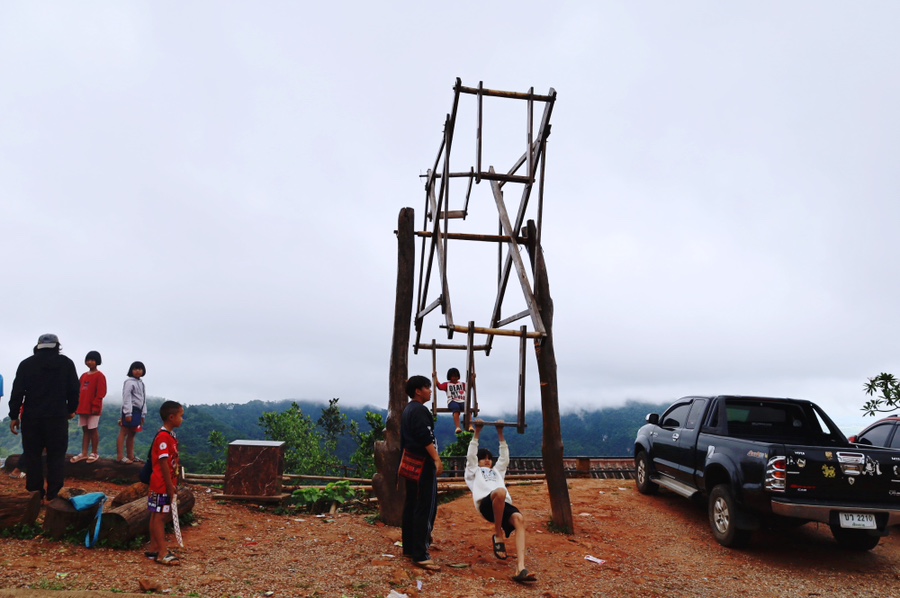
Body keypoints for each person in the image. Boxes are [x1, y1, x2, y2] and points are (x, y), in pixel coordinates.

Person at [8, 333, 79, 501]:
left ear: (38, 346)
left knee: (32, 456)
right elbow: (74, 390)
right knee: (56, 457)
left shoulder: (26, 364)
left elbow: (17, 392)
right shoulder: (66, 364)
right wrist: (70, 410)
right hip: (57, 417)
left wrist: (14, 415)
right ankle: (54, 495)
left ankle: (34, 494)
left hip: (32, 418)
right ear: (57, 346)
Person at [465, 419, 536, 584]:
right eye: (483, 458)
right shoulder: (474, 471)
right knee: (500, 492)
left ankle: (520, 567)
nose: (487, 461)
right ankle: (498, 534)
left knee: (519, 519)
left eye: (489, 458)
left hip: (503, 503)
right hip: (487, 504)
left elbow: (504, 457)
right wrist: (477, 431)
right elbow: (470, 455)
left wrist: (500, 433)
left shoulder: (497, 472)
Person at [400, 375, 443, 571]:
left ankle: (409, 547)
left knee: (412, 504)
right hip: (422, 463)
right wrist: (436, 458)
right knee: (425, 507)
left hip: (410, 462)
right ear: (418, 391)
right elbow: (425, 437)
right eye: (428, 387)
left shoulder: (408, 410)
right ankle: (420, 553)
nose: (430, 390)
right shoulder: (419, 410)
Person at [147, 400, 184, 566]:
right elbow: (163, 462)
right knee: (160, 517)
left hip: (163, 483)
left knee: (156, 514)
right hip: (161, 484)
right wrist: (169, 486)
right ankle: (162, 552)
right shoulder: (163, 438)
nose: (182, 419)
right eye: (181, 416)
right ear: (171, 417)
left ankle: (154, 547)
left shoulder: (170, 436)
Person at [71, 351, 107, 464]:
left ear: (97, 361)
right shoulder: (83, 376)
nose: (90, 362)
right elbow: (77, 390)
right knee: (85, 430)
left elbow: (101, 392)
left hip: (93, 408)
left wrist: (96, 405)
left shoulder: (100, 376)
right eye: (88, 360)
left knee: (93, 429)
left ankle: (95, 452)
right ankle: (84, 452)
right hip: (83, 407)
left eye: (92, 360)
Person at [117, 361, 147, 464]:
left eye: (140, 369)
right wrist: (128, 413)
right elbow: (127, 397)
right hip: (131, 409)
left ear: (143, 371)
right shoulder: (129, 382)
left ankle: (131, 456)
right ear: (131, 370)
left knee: (133, 433)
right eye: (135, 369)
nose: (137, 371)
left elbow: (143, 399)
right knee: (124, 432)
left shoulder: (141, 383)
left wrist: (143, 414)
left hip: (138, 410)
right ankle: (120, 456)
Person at [433, 367, 471, 434]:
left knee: (468, 409)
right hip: (452, 401)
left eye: (456, 376)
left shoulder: (462, 384)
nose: (454, 378)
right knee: (456, 409)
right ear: (449, 377)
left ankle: (470, 425)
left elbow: (470, 386)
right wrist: (435, 377)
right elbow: (439, 386)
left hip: (462, 400)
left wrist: (473, 378)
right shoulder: (447, 385)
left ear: (458, 377)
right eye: (453, 376)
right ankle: (458, 427)